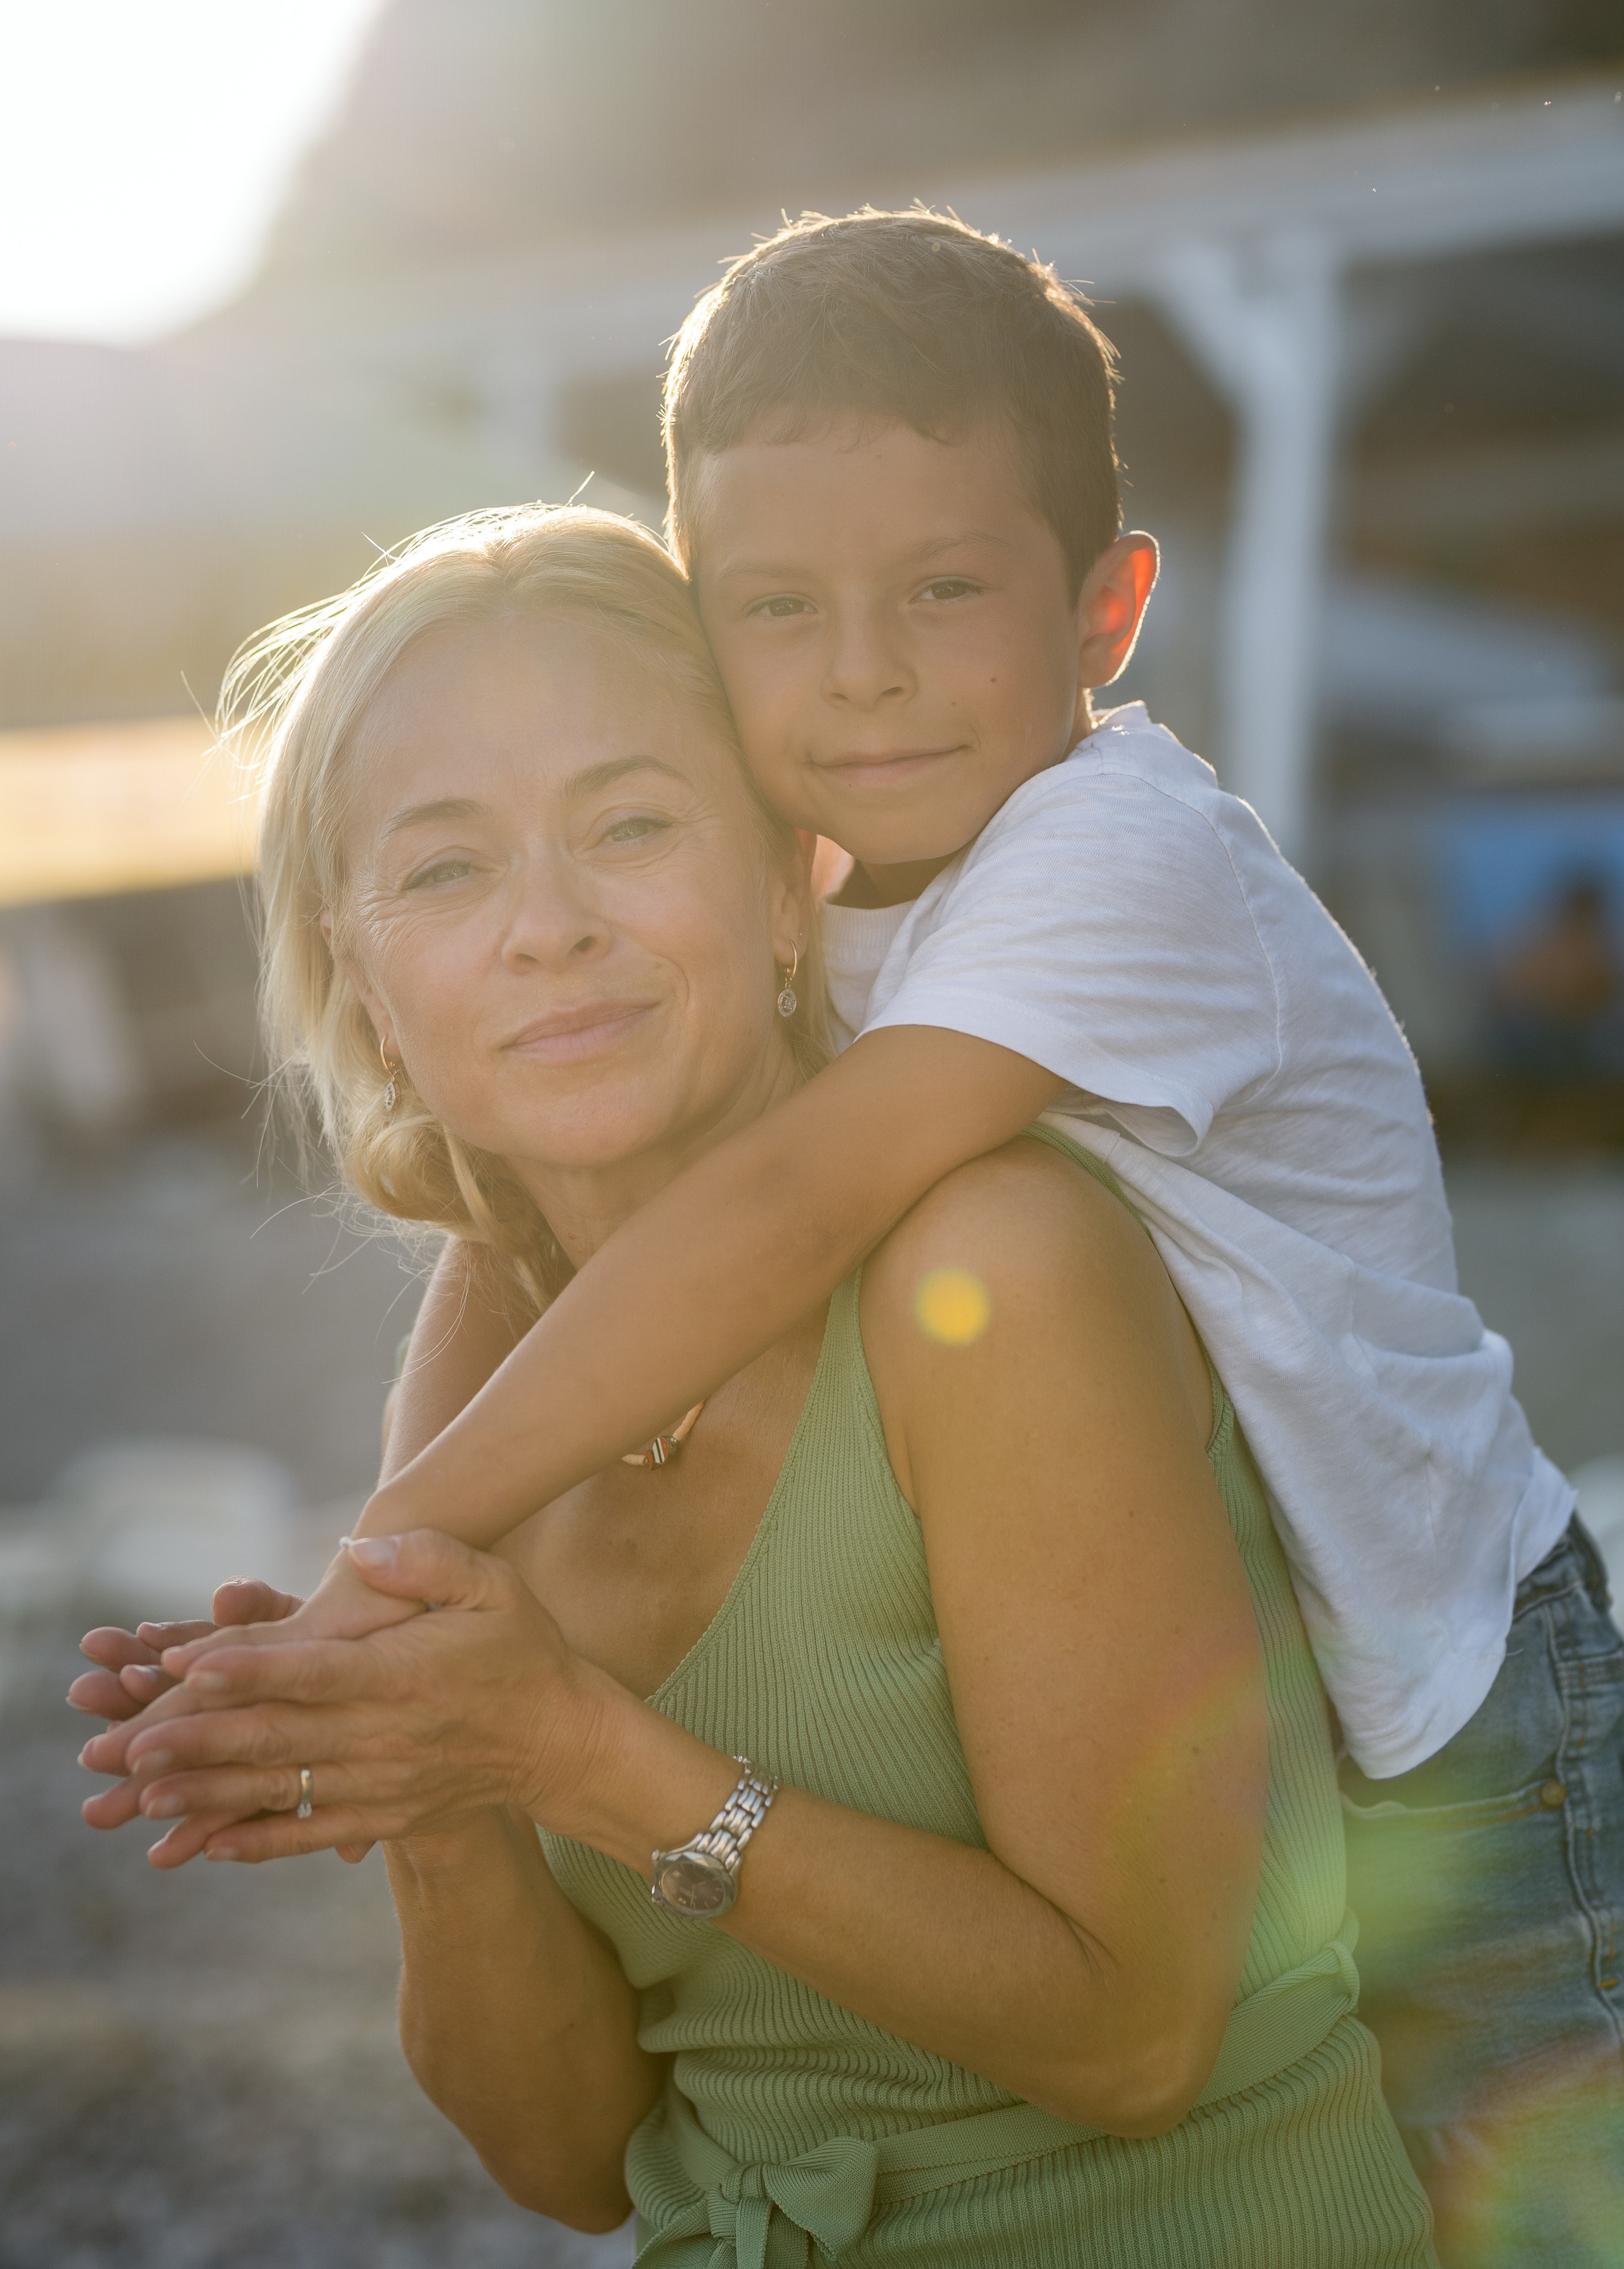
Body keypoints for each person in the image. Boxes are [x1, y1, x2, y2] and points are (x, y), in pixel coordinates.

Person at [98, 214, 1623, 2256]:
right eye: (447, 870)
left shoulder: (1021, 1121)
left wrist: (416, 1630)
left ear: (781, 864)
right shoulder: (504, 1345)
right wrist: (421, 1763)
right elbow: (567, 2166)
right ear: (360, 976)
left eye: (632, 824)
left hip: (1467, 1731)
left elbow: (1141, 2035)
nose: (548, 923)